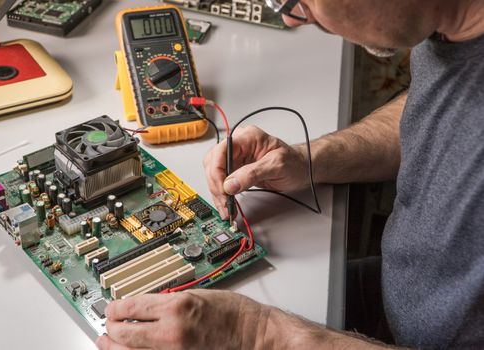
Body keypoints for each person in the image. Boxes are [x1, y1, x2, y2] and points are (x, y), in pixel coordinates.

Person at [96, 0, 484, 348]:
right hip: (399, 293)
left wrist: (257, 335)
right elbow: (435, 105)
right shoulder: (450, 22)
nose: (291, 17)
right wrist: (309, 160)